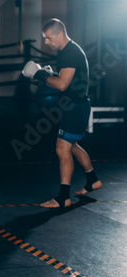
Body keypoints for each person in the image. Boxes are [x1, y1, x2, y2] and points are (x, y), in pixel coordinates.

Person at [22, 18, 102, 209]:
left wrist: (40, 75)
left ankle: (63, 198)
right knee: (72, 146)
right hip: (75, 106)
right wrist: (47, 73)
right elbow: (65, 79)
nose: (47, 42)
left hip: (76, 108)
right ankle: (92, 180)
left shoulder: (69, 53)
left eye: (49, 38)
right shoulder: (67, 51)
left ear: (59, 33)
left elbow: (62, 84)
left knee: (62, 148)